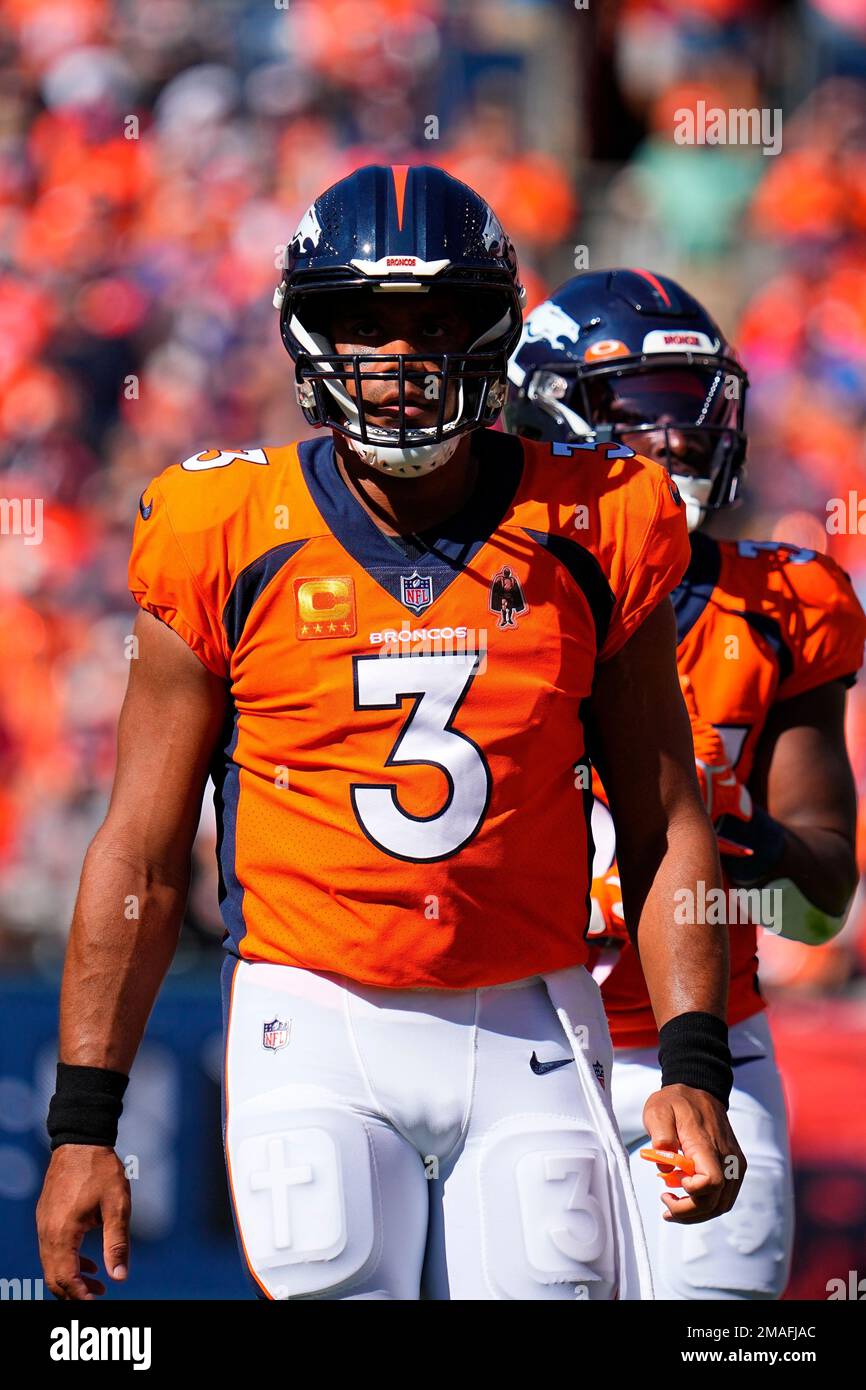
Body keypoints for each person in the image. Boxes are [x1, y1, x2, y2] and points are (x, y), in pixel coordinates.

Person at [36, 172, 743, 1303]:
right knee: (333, 1277)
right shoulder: (222, 529)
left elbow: (663, 821)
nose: (398, 361)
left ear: (491, 335)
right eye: (362, 325)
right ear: (306, 336)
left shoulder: (594, 520)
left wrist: (692, 1058)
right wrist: (84, 1123)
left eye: (433, 324)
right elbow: (142, 854)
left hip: (530, 1013)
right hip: (312, 1013)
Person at [505, 266, 866, 1299]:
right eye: (646, 413)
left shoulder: (780, 604)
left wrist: (730, 858)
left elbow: (817, 900)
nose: (679, 441)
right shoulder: (482, 587)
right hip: (510, 1038)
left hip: (710, 1046)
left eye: (696, 410)